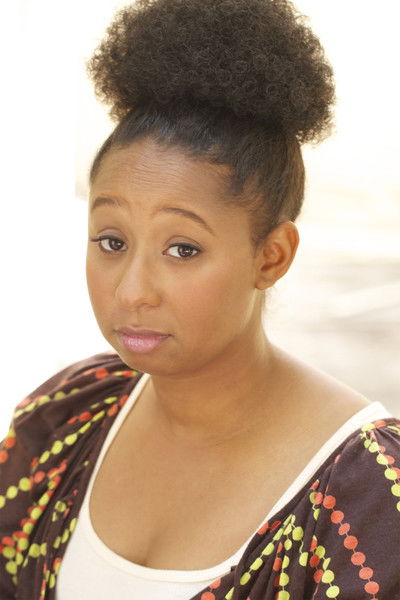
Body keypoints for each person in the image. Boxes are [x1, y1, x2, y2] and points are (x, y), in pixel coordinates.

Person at [1, 0, 399, 598]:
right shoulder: (68, 418)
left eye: (183, 249)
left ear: (272, 257)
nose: (131, 290)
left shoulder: (368, 497)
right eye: (112, 241)